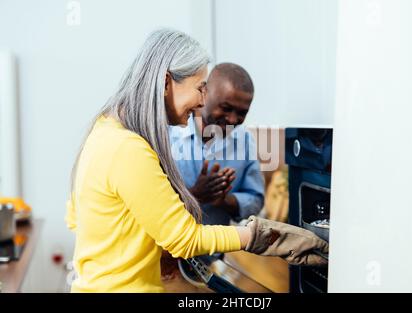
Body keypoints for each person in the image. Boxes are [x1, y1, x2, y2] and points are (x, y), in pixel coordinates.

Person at [65, 28, 328, 293]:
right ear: (166, 82)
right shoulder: (129, 148)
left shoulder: (104, 130)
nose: (201, 100)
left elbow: (76, 217)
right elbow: (185, 239)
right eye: (201, 88)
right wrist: (263, 237)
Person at [169, 63, 264, 226]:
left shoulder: (245, 140)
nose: (233, 120)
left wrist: (224, 201)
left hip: (216, 250)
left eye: (242, 113)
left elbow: (255, 200)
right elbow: (148, 203)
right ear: (204, 92)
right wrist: (194, 195)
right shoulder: (168, 132)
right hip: (170, 250)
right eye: (226, 108)